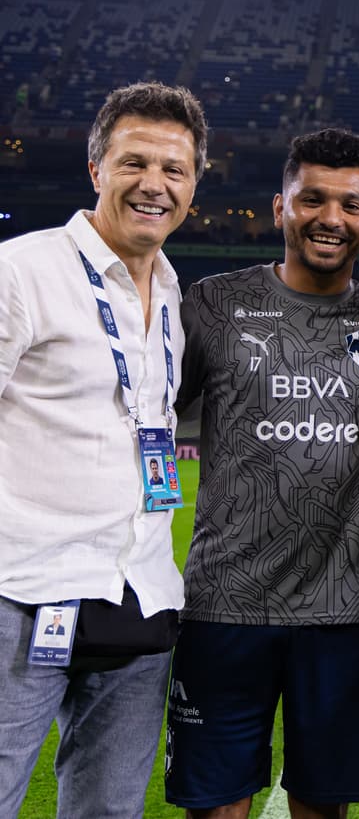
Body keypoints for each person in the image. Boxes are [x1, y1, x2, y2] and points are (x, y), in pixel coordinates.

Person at [164, 129, 359, 819]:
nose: (331, 217)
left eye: (351, 204)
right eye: (313, 199)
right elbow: (144, 419)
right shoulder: (212, 304)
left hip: (342, 610)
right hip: (222, 604)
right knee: (215, 804)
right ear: (280, 207)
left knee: (323, 804)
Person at [0, 81, 206, 816]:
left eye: (174, 169)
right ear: (97, 169)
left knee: (107, 810)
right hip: (23, 590)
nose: (155, 183)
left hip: (139, 595)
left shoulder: (176, 293)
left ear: (194, 185)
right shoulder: (22, 271)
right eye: (134, 162)